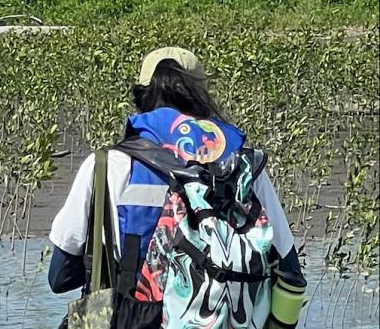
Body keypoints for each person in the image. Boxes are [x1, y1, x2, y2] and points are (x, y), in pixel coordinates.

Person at [48, 47, 305, 326]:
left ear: (141, 96)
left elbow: (59, 278)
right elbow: (291, 278)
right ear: (202, 96)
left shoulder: (107, 165)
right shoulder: (244, 167)